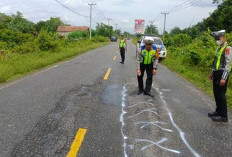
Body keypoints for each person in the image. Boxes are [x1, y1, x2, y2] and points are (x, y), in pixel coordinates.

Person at [208, 30, 232, 122]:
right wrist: (212, 73)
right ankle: (218, 112)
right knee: (216, 94)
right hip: (216, 73)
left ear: (223, 37)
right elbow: (215, 62)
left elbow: (228, 65)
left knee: (221, 94)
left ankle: (224, 116)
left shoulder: (228, 48)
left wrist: (224, 78)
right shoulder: (218, 48)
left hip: (222, 74)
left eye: (218, 38)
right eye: (216, 38)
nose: (217, 40)